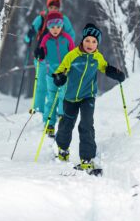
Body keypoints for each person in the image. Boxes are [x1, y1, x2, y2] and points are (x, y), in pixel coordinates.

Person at [52, 23, 125, 170]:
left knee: (87, 124)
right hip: (71, 96)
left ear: (97, 43)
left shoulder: (97, 57)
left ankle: (87, 158)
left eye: (94, 41)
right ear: (82, 40)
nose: (90, 44)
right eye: (88, 40)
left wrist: (114, 73)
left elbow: (104, 66)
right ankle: (62, 148)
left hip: (88, 96)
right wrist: (59, 78)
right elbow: (60, 71)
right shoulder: (72, 55)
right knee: (67, 123)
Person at [24, 0, 75, 114]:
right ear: (48, 7)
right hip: (41, 56)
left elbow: (71, 35)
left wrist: (66, 49)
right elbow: (28, 38)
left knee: (59, 85)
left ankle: (58, 110)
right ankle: (38, 109)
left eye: (56, 8)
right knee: (41, 83)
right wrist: (29, 35)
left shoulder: (63, 19)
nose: (54, 10)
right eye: (51, 7)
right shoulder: (41, 18)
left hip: (59, 59)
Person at [34, 11, 75, 137]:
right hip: (50, 74)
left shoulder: (67, 38)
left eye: (58, 27)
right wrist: (39, 54)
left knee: (63, 96)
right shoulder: (45, 39)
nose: (55, 30)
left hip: (64, 74)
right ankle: (49, 123)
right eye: (52, 27)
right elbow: (41, 56)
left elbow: (73, 53)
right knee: (51, 98)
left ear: (62, 26)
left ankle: (62, 118)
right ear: (48, 27)